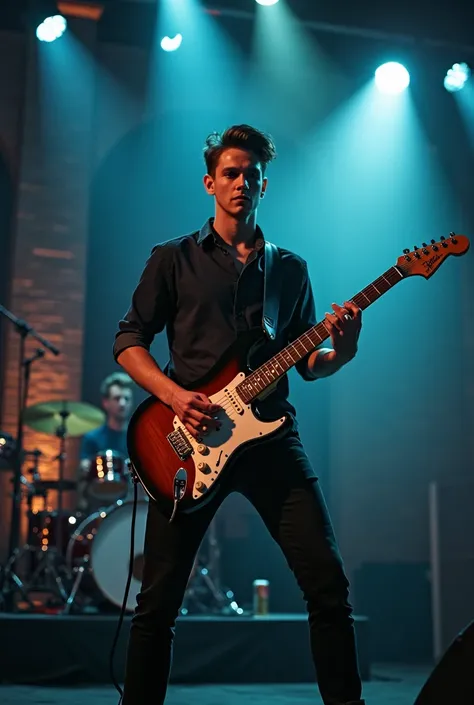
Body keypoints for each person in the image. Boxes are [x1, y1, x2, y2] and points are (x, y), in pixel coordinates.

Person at [113, 124, 364, 705]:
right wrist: (175, 397)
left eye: (251, 174)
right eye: (231, 173)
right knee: (157, 605)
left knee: (328, 588)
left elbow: (309, 364)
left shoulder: (290, 270)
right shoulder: (172, 259)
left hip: (272, 439)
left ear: (264, 186)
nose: (241, 182)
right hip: (189, 438)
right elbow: (128, 341)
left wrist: (345, 347)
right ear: (210, 183)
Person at [78, 372, 134, 512]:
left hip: (130, 502)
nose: (122, 403)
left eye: (126, 399)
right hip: (98, 503)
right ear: (105, 402)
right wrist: (85, 466)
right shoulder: (92, 438)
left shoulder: (137, 438)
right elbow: (83, 468)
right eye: (117, 398)